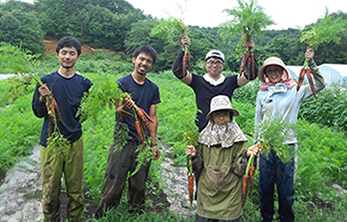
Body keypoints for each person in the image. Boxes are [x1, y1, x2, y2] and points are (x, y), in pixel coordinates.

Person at [254, 47, 325, 222]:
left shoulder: (296, 90)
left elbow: (320, 85)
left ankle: (286, 219)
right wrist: (256, 144)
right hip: (266, 146)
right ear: (265, 75)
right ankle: (266, 218)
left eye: (276, 70)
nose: (273, 73)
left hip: (287, 144)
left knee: (286, 190)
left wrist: (312, 64)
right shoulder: (262, 93)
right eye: (269, 71)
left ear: (283, 72)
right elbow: (258, 120)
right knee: (265, 187)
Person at [95, 45, 161, 219]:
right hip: (122, 141)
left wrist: (153, 144)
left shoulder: (153, 88)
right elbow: (118, 113)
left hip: (143, 142)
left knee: (139, 184)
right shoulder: (122, 84)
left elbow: (152, 117)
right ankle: (104, 214)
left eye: (148, 61)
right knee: (114, 182)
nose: (144, 63)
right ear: (134, 60)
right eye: (141, 59)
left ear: (151, 65)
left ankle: (135, 215)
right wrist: (124, 107)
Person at [32, 36, 93, 222]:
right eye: (64, 53)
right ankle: (51, 219)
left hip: (74, 141)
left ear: (78, 57)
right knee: (50, 191)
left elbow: (85, 115)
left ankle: (76, 219)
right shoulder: (45, 81)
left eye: (72, 53)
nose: (67, 57)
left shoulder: (85, 84)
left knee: (76, 190)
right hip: (50, 142)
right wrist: (43, 99)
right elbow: (37, 112)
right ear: (57, 55)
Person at [186, 95, 259, 222]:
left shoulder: (239, 140)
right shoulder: (203, 139)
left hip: (230, 196)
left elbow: (240, 170)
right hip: (207, 194)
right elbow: (196, 168)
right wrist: (193, 156)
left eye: (225, 114)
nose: (221, 118)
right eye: (217, 114)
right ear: (212, 117)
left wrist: (247, 155)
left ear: (230, 116)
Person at [172, 35, 258, 132]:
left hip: (225, 128)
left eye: (218, 62)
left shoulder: (230, 82)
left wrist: (250, 52)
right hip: (203, 128)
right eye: (211, 62)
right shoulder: (197, 81)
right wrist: (184, 50)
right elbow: (178, 71)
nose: (214, 65)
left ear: (223, 65)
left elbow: (251, 75)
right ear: (206, 64)